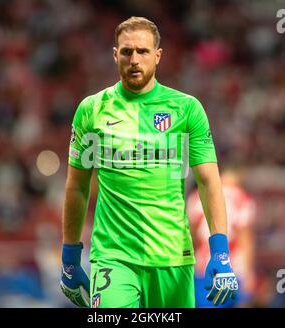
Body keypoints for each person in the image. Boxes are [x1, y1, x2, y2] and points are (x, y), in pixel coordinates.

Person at [60, 16, 238, 308]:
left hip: (172, 257)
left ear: (158, 55)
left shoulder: (186, 109)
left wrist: (220, 252)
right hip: (113, 257)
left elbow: (208, 181)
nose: (134, 59)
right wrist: (69, 255)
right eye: (127, 51)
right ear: (115, 54)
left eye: (143, 51)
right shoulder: (91, 111)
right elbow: (76, 185)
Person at [187, 167, 257, 307]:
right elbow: (245, 239)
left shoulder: (197, 196)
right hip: (233, 268)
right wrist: (249, 272)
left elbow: (191, 237)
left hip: (204, 268)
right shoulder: (241, 198)